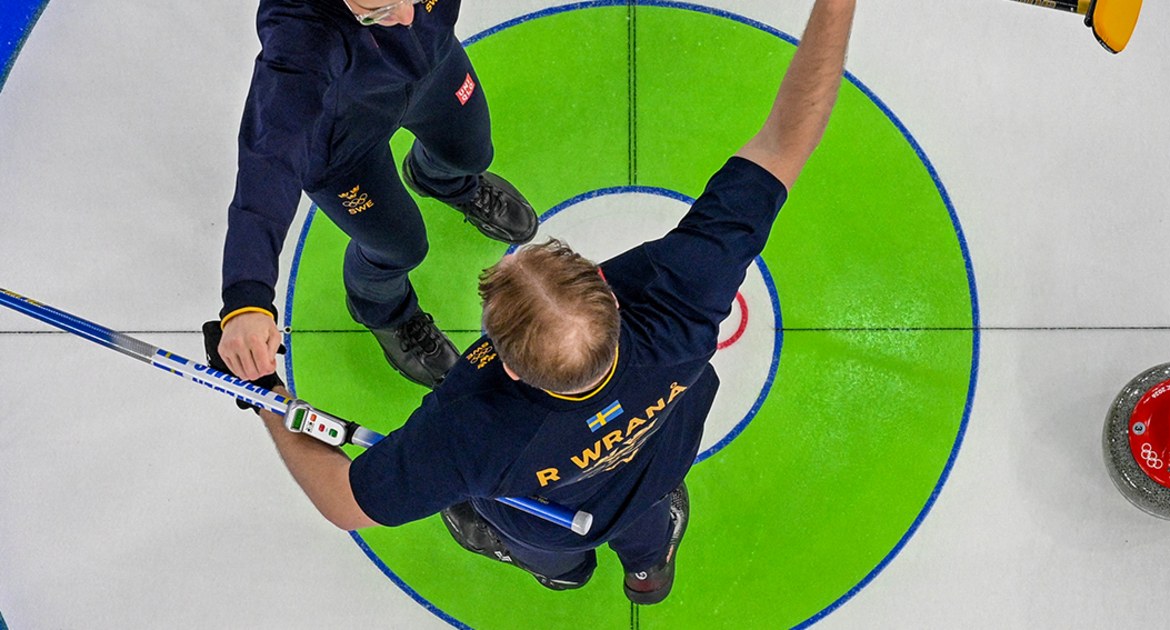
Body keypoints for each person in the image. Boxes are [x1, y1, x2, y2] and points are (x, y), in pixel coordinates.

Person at [215, 0, 857, 605]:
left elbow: (341, 501)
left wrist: (270, 393)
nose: (407, 15)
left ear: (508, 367)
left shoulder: (469, 436)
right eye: (379, 9)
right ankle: (649, 565)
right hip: (656, 463)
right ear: (604, 292)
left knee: (552, 551)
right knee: (646, 518)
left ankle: (564, 575)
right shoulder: (679, 304)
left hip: (544, 518)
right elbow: (785, 142)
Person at [215, 0, 538, 390]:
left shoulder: (407, 13)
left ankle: (441, 180)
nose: (405, 19)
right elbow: (271, 158)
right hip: (344, 145)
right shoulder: (302, 32)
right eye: (374, 11)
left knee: (470, 154)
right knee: (400, 246)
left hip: (435, 70)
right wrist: (246, 296)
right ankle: (385, 311)